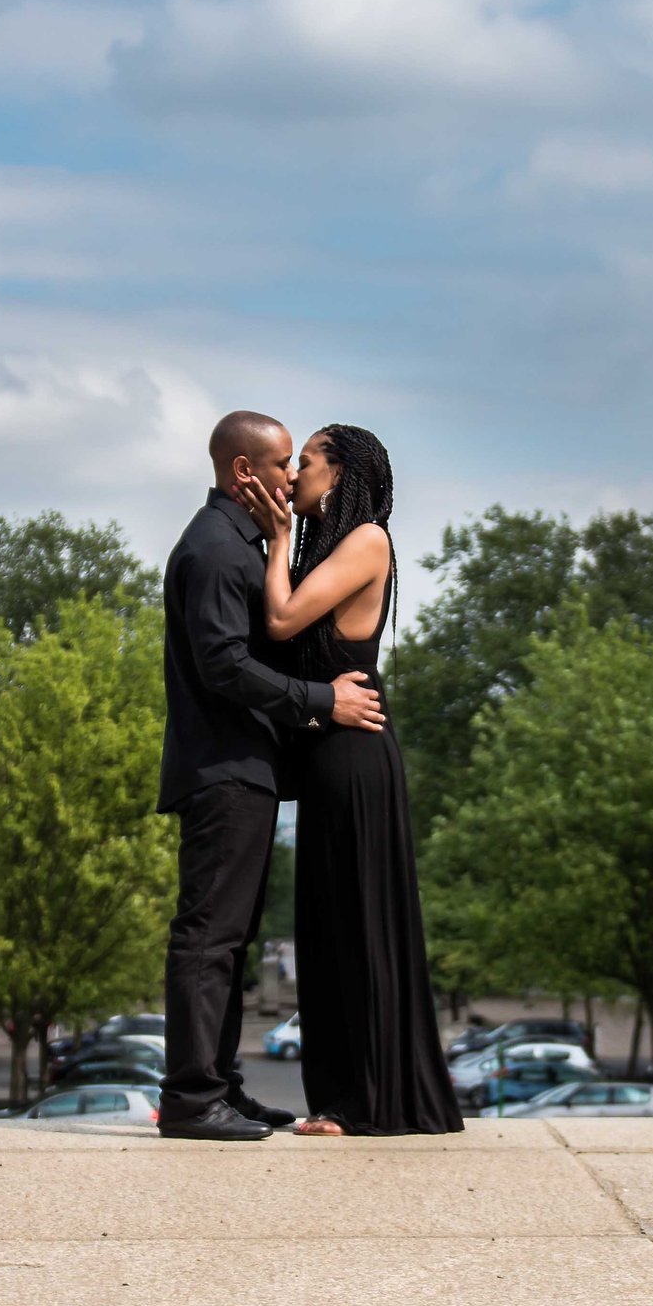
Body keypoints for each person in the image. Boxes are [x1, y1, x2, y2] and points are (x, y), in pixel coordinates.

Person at [154, 411, 384, 1141]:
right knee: (208, 937)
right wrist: (323, 702)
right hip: (223, 769)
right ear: (244, 472)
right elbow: (226, 667)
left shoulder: (240, 542)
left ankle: (223, 1088)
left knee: (231, 940)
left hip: (243, 769)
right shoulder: (219, 549)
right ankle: (193, 1100)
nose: (292, 475)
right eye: (284, 463)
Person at [246, 425, 462, 1135]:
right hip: (330, 755)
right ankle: (343, 1099)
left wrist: (278, 538)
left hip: (356, 757)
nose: (292, 474)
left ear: (338, 473)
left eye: (304, 462)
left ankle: (368, 1103)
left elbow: (280, 620)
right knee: (329, 925)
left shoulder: (367, 537)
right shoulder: (331, 548)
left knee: (357, 925)